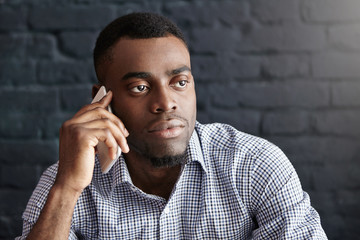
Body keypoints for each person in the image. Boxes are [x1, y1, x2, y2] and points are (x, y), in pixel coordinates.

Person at [17, 12, 327, 239]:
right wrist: (67, 188)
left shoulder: (253, 165)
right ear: (103, 101)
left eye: (179, 82)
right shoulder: (67, 183)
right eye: (140, 87)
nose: (166, 103)